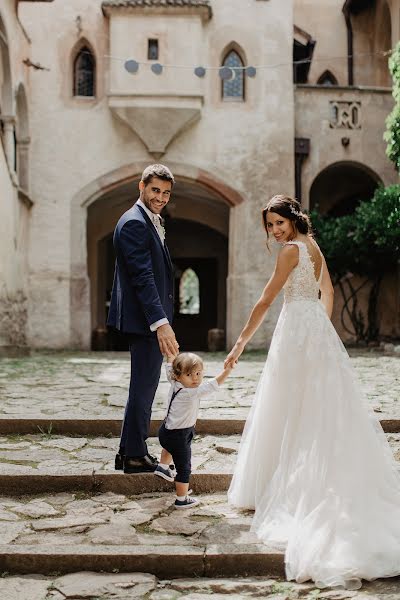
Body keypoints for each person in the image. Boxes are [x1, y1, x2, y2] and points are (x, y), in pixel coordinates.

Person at [225, 195, 400, 589]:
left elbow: (267, 299)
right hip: (313, 329)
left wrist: (238, 345)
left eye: (278, 222)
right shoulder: (313, 246)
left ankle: (280, 485)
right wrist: (319, 327)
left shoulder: (290, 251)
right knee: (312, 406)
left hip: (295, 330)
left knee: (287, 404)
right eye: (269, 225)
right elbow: (329, 292)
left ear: (292, 218)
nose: (275, 231)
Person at [107, 164, 179, 474]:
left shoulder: (146, 220)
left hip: (147, 319)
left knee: (143, 385)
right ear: (141, 187)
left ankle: (128, 451)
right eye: (155, 190)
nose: (160, 197)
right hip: (147, 321)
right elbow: (143, 277)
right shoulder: (135, 222)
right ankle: (135, 454)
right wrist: (160, 322)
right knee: (144, 386)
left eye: (165, 192)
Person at [156, 352, 233, 509]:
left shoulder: (174, 382)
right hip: (179, 435)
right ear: (178, 376)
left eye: (198, 374)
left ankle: (163, 467)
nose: (195, 379)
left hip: (166, 431)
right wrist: (227, 370)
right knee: (184, 468)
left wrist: (171, 355)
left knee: (170, 448)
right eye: (189, 375)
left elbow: (170, 366)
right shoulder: (191, 392)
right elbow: (213, 384)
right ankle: (181, 499)